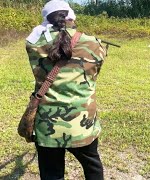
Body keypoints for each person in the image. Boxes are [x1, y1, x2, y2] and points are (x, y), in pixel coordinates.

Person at [25, 0, 107, 179]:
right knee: (93, 166)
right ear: (71, 17)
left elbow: (36, 39)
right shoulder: (93, 43)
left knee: (51, 174)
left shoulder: (33, 44)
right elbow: (95, 72)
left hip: (47, 124)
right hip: (83, 122)